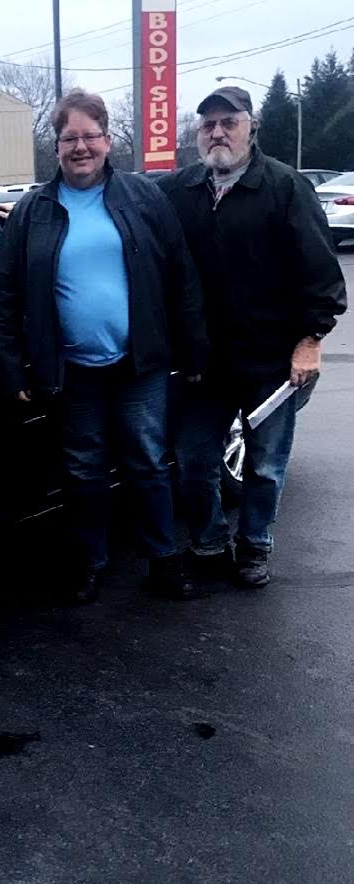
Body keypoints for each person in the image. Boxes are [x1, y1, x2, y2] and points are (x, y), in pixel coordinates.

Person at [0, 89, 208, 604]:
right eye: (70, 138)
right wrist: (14, 370)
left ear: (108, 141)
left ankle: (162, 559)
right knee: (83, 469)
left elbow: (182, 276)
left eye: (90, 136)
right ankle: (90, 562)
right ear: (56, 146)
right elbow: (5, 295)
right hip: (73, 369)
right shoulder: (32, 211)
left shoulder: (143, 197)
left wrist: (194, 350)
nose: (81, 147)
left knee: (147, 462)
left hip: (139, 362)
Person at [155, 86, 347, 587]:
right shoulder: (180, 190)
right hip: (204, 363)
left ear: (251, 127)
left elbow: (322, 272)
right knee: (194, 463)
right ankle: (210, 543)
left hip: (271, 361)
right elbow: (122, 209)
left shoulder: (284, 187)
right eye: (208, 124)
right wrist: (27, 215)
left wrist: (311, 340)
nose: (217, 132)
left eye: (229, 122)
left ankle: (255, 547)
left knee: (264, 466)